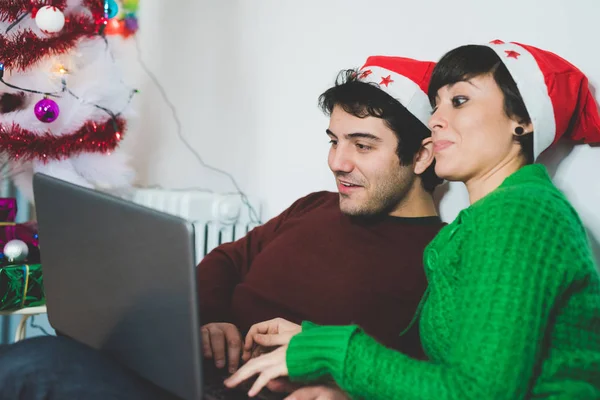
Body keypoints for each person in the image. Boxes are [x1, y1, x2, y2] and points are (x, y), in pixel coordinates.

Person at [0, 55, 445, 400]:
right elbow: (227, 260)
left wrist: (350, 393)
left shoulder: (440, 257)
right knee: (42, 356)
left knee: (35, 366)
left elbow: (434, 380)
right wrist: (210, 319)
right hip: (185, 375)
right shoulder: (316, 206)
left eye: (362, 146)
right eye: (334, 141)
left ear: (422, 155)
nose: (337, 162)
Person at [224, 40, 600, 400]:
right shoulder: (476, 224)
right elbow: (446, 376)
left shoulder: (521, 214)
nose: (436, 120)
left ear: (521, 120)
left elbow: (481, 393)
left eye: (459, 100)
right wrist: (340, 382)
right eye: (436, 106)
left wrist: (329, 349)